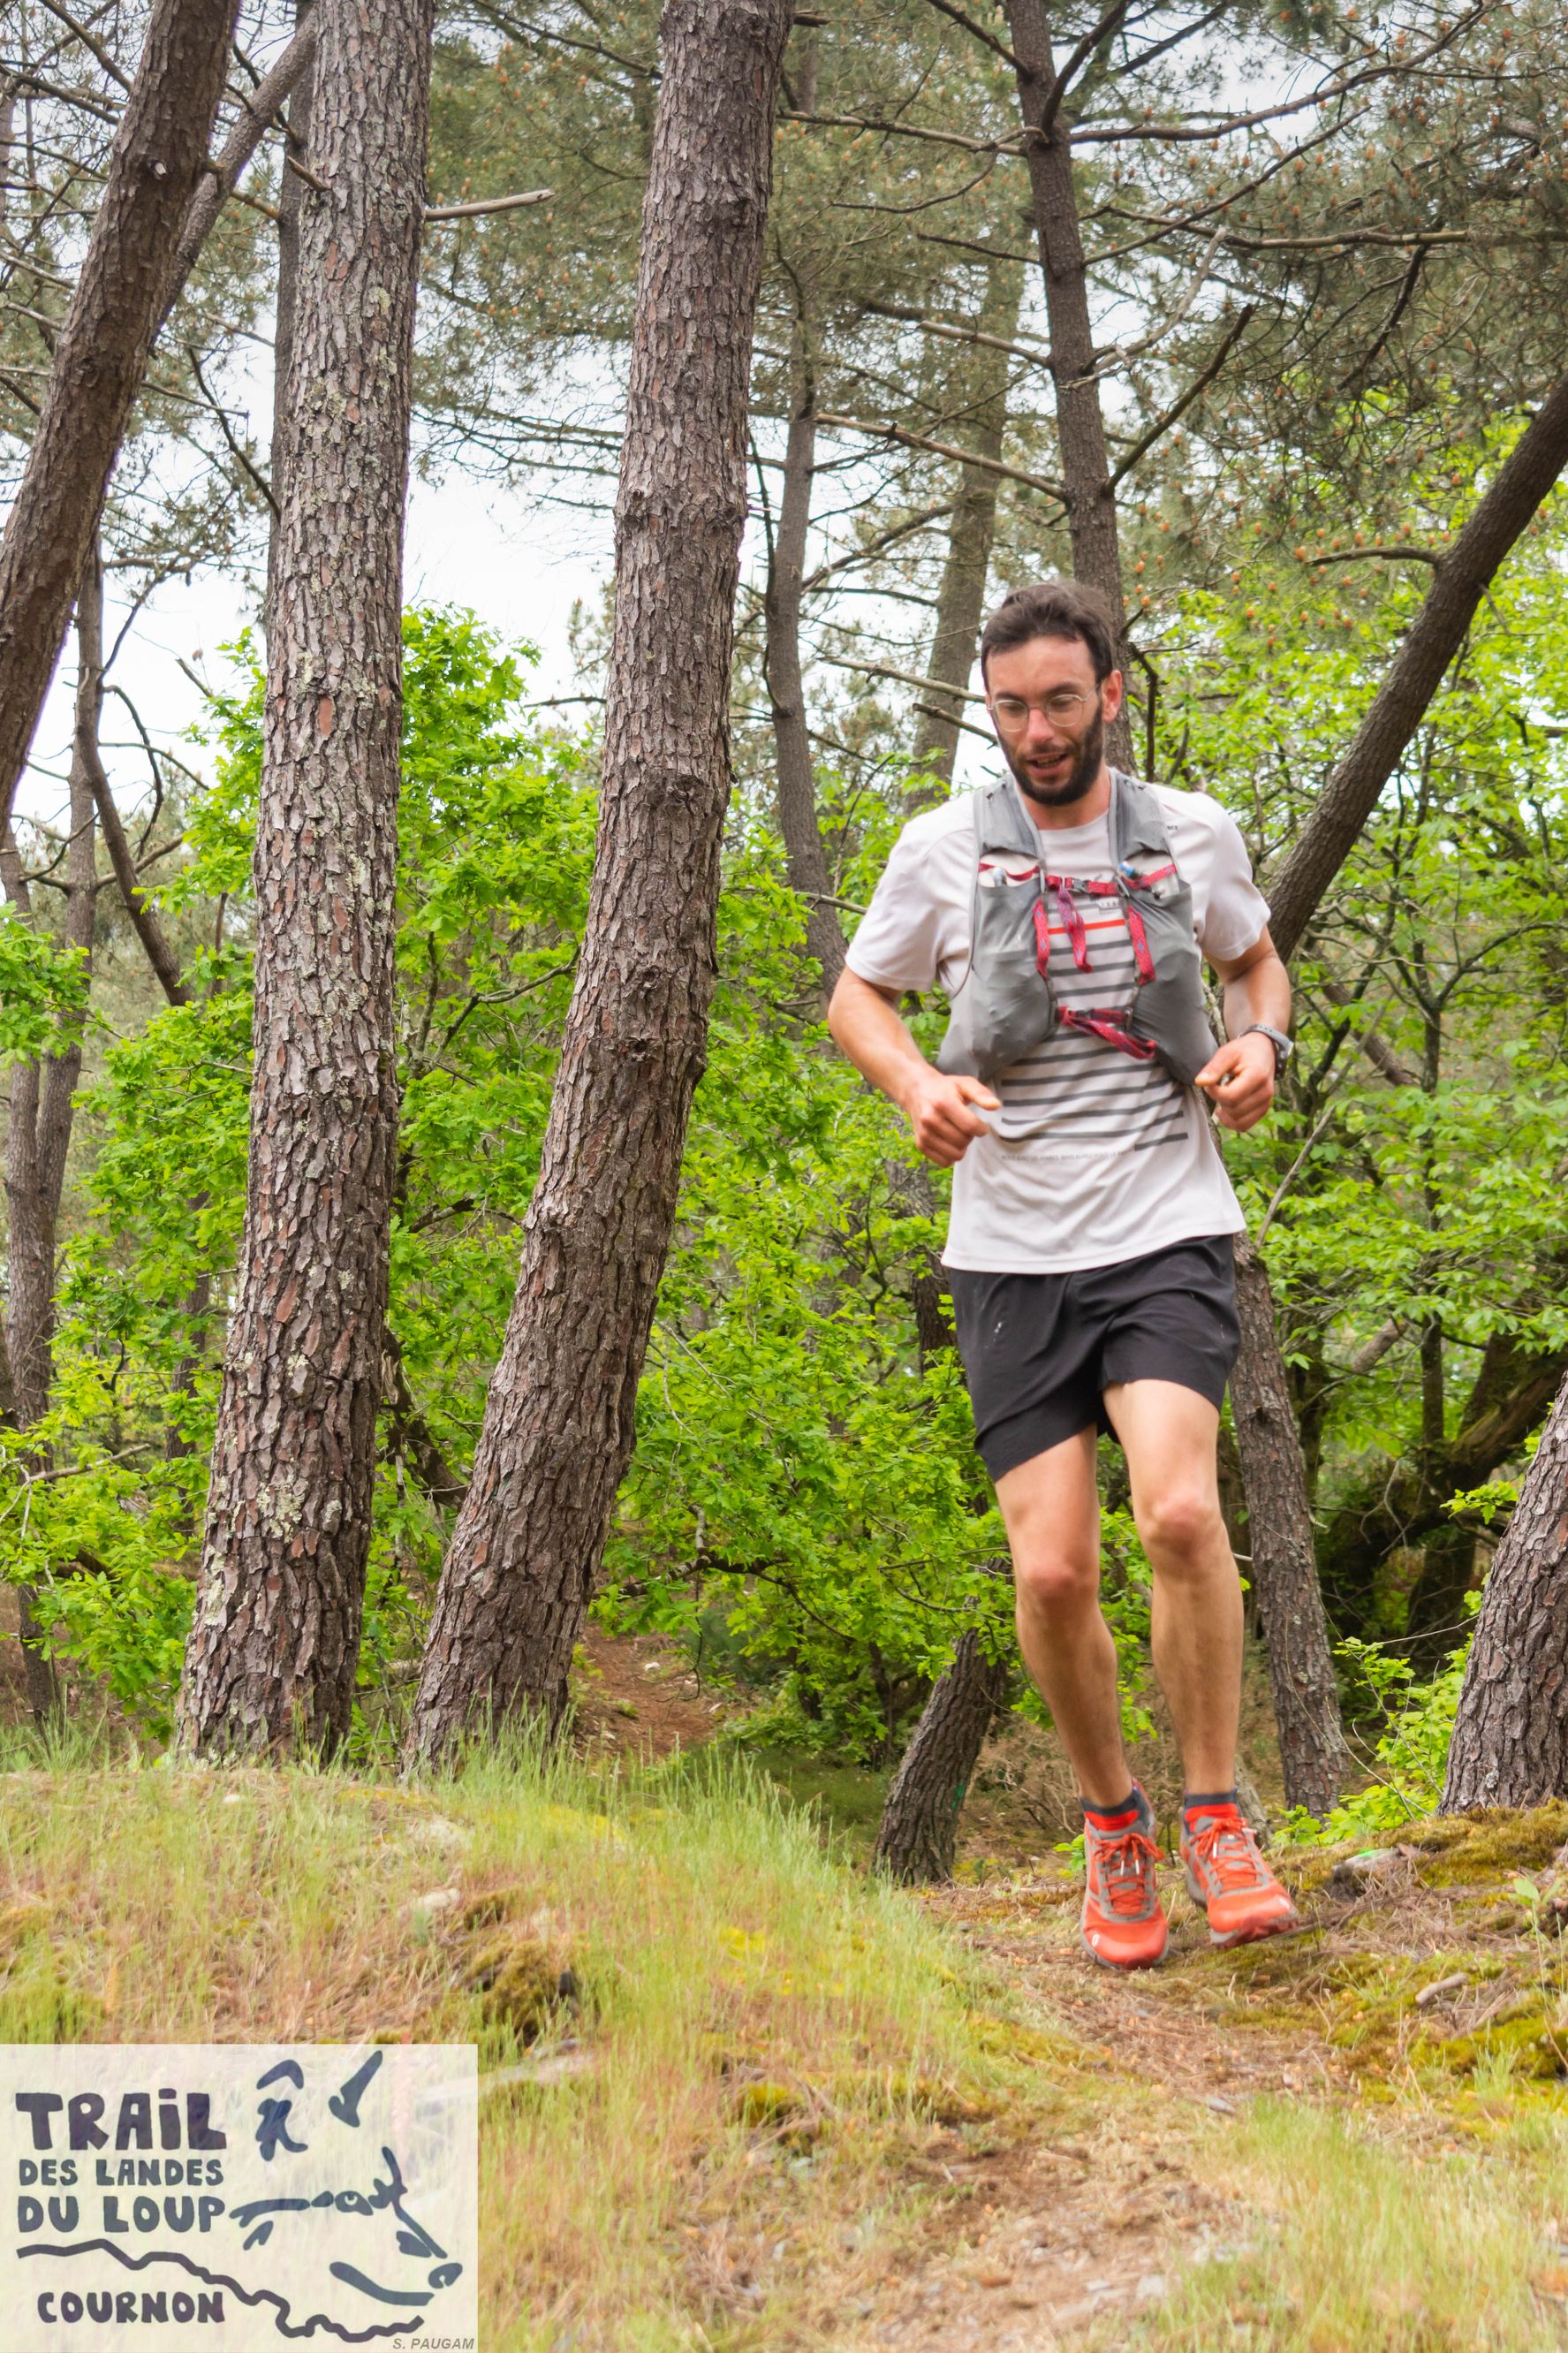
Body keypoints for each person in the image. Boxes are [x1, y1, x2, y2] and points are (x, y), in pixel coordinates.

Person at [827, 579, 1299, 1970]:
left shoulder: (1192, 832)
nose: (1037, 730)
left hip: (1164, 1226)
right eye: (1012, 708)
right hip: (1011, 1253)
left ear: (1111, 694)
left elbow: (1257, 965)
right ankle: (1114, 1826)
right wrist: (915, 1085)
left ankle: (1215, 1814)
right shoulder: (940, 850)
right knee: (1048, 1574)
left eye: (1061, 701)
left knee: (1180, 1514)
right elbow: (859, 996)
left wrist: (1262, 1044)